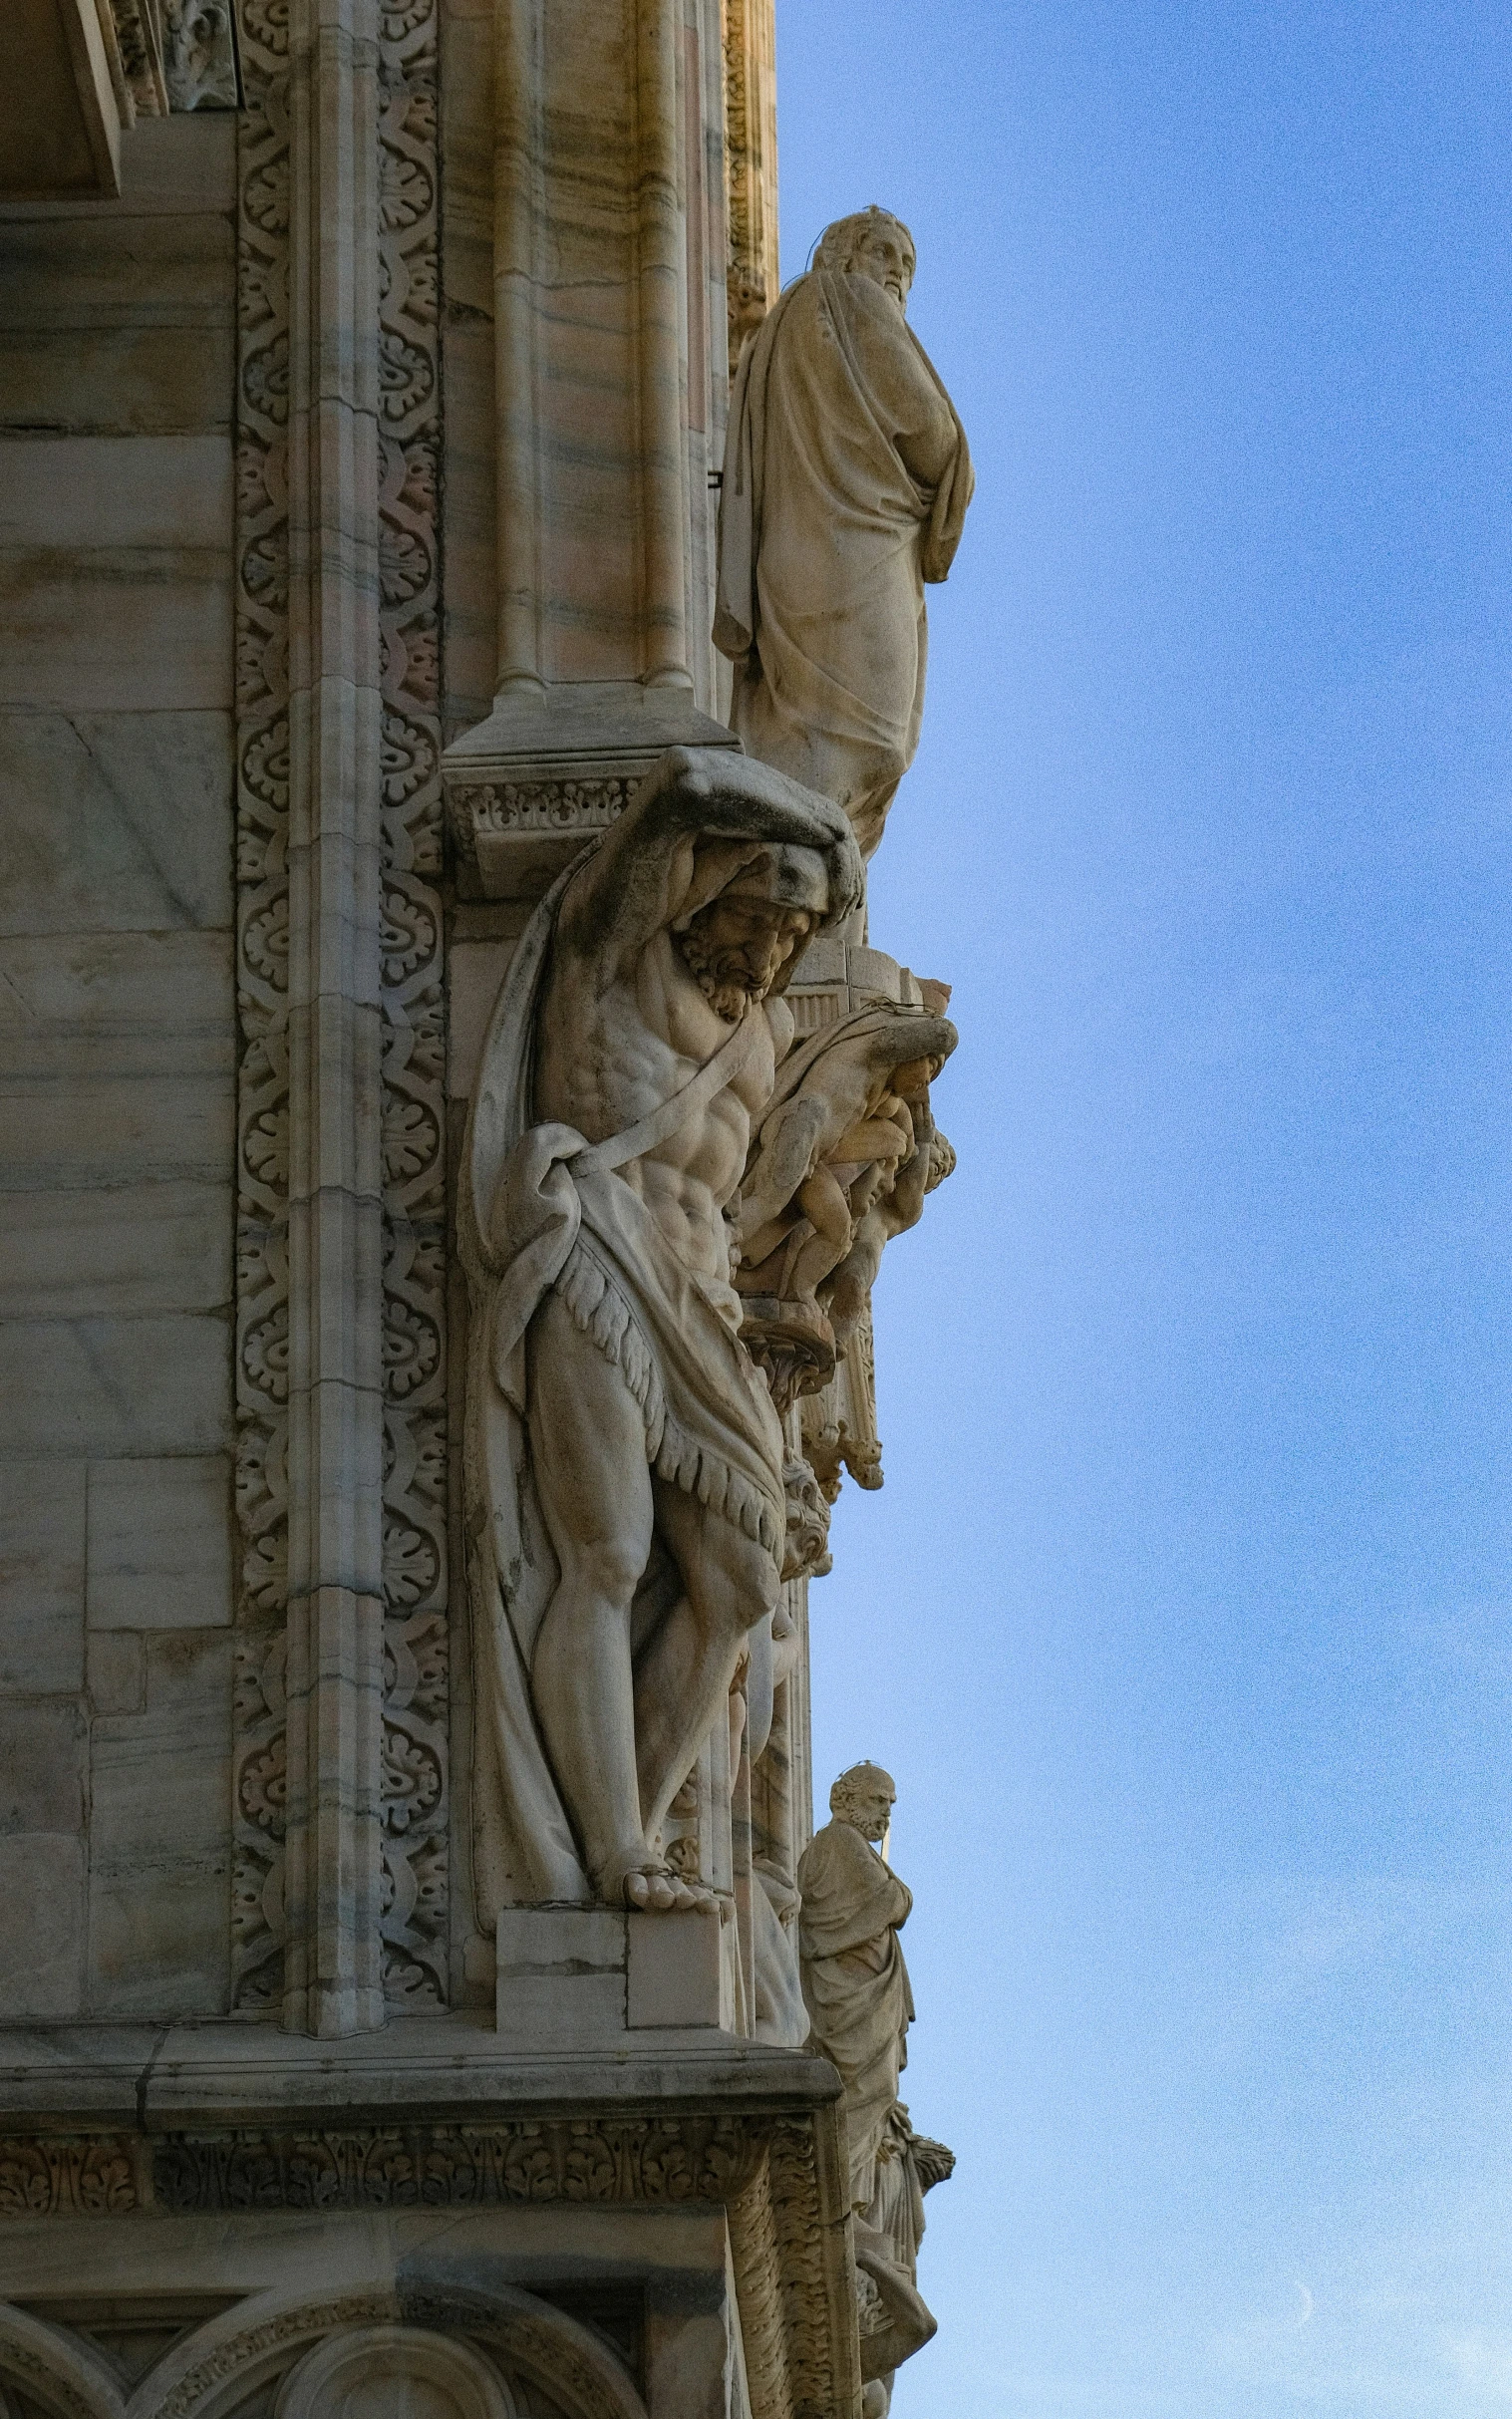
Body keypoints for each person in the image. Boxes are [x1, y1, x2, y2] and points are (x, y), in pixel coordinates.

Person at [460, 748, 862, 1920]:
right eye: (756, 912)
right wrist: (825, 832)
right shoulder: (608, 957)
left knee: (740, 1582)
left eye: (792, 932)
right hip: (596, 1259)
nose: (770, 946)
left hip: (704, 1309)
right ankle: (617, 1852)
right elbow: (680, 784)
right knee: (609, 1555)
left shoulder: (761, 1035)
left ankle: (623, 1826)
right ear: (711, 886)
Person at [715, 206, 974, 862]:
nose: (896, 274)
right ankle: (784, 874)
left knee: (806, 730)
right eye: (884, 252)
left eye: (905, 264)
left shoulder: (785, 321)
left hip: (793, 558)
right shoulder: (851, 301)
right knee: (868, 741)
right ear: (842, 252)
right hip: (852, 557)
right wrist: (953, 471)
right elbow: (930, 434)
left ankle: (791, 869)